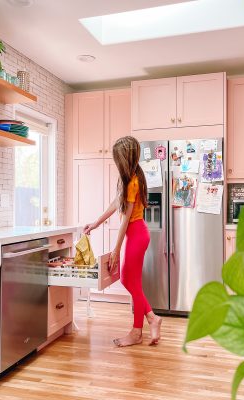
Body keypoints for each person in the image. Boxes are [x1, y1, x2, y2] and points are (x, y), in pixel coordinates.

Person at [84, 136, 162, 347]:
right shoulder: (130, 178)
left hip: (136, 234)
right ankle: (152, 318)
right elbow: (115, 203)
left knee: (131, 281)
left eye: (118, 158)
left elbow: (126, 220)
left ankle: (137, 332)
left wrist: (116, 251)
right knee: (129, 280)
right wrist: (96, 223)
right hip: (136, 234)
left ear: (124, 159)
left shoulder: (133, 182)